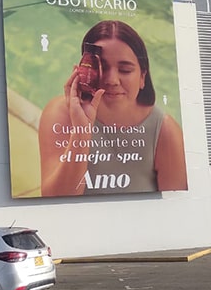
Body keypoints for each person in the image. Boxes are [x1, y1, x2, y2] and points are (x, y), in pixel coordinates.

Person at [38, 20, 187, 197]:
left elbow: (176, 208)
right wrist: (81, 130)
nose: (112, 80)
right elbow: (54, 199)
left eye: (124, 70)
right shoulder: (60, 113)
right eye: (102, 68)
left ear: (142, 78)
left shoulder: (165, 131)